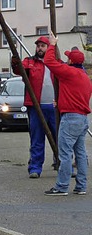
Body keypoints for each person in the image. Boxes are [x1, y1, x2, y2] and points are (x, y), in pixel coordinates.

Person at [43, 35, 91, 196]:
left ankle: (62, 186)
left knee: (64, 154)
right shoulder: (85, 77)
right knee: (81, 154)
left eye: (68, 58)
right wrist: (62, 102)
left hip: (70, 118)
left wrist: (52, 44)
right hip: (82, 118)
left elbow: (49, 62)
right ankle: (81, 186)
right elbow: (75, 95)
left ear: (71, 61)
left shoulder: (69, 72)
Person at [11, 36, 58, 178]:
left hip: (54, 107)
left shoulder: (56, 63)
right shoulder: (30, 62)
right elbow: (18, 70)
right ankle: (35, 167)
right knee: (37, 139)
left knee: (59, 137)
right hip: (36, 107)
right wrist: (15, 60)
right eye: (38, 46)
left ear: (49, 48)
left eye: (43, 46)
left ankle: (61, 162)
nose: (39, 48)